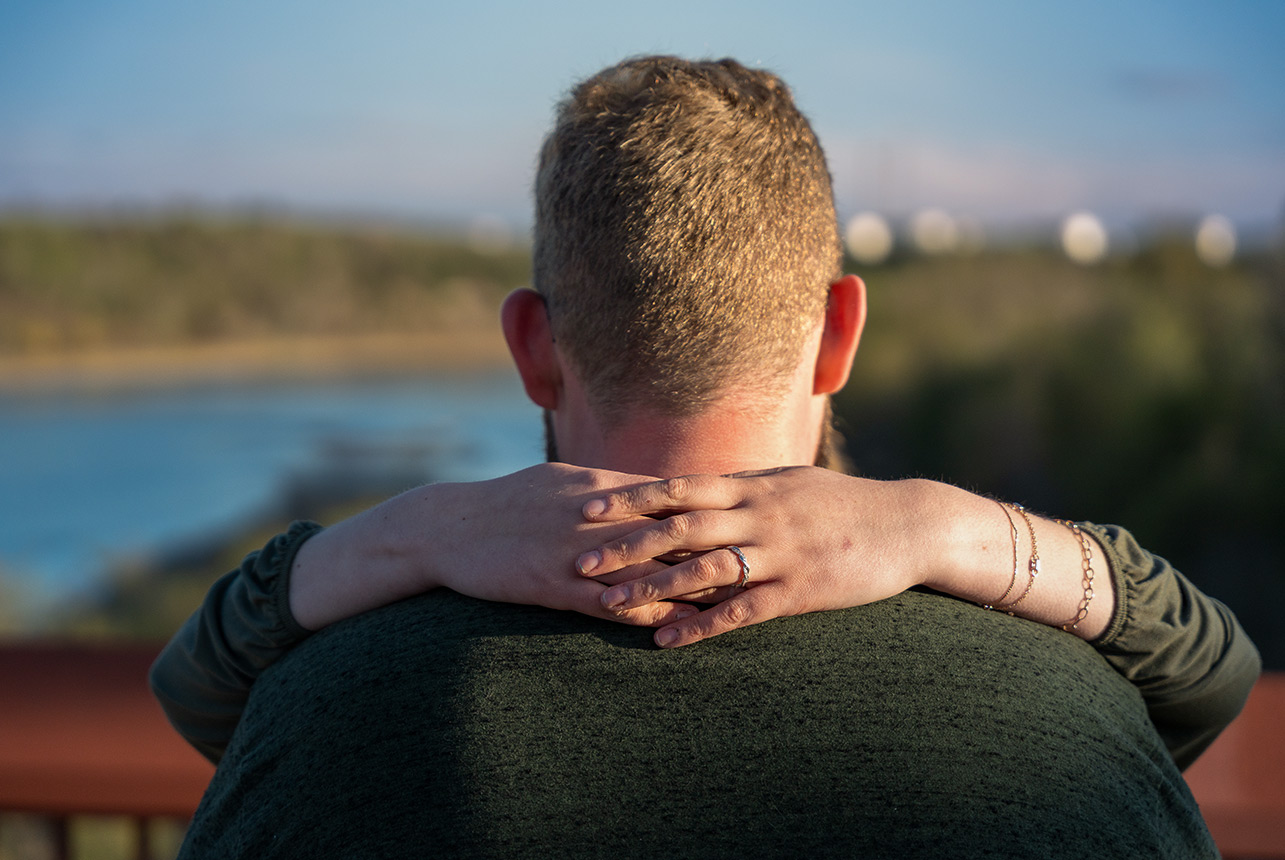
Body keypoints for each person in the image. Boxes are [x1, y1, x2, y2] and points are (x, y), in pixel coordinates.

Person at [153, 56, 1257, 858]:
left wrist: (414, 528)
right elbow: (1214, 668)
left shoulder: (323, 724)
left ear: (534, 347)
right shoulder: (1077, 722)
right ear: (839, 332)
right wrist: (942, 526)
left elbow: (198, 683)